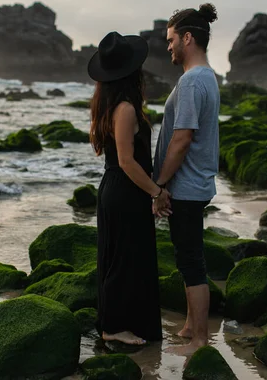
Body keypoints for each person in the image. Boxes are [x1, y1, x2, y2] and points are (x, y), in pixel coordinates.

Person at [88, 31, 168, 345]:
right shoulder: (125, 109)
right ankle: (113, 327)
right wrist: (156, 192)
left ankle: (120, 323)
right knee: (123, 260)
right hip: (124, 188)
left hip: (118, 189)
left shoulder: (113, 106)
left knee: (123, 257)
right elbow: (126, 161)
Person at [152, 3, 220, 355]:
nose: (168, 47)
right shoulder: (206, 77)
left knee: (191, 260)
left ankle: (200, 339)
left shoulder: (193, 80)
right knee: (186, 256)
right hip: (195, 184)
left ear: (188, 38)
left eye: (171, 39)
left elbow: (182, 138)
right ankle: (192, 326)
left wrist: (160, 183)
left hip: (188, 186)